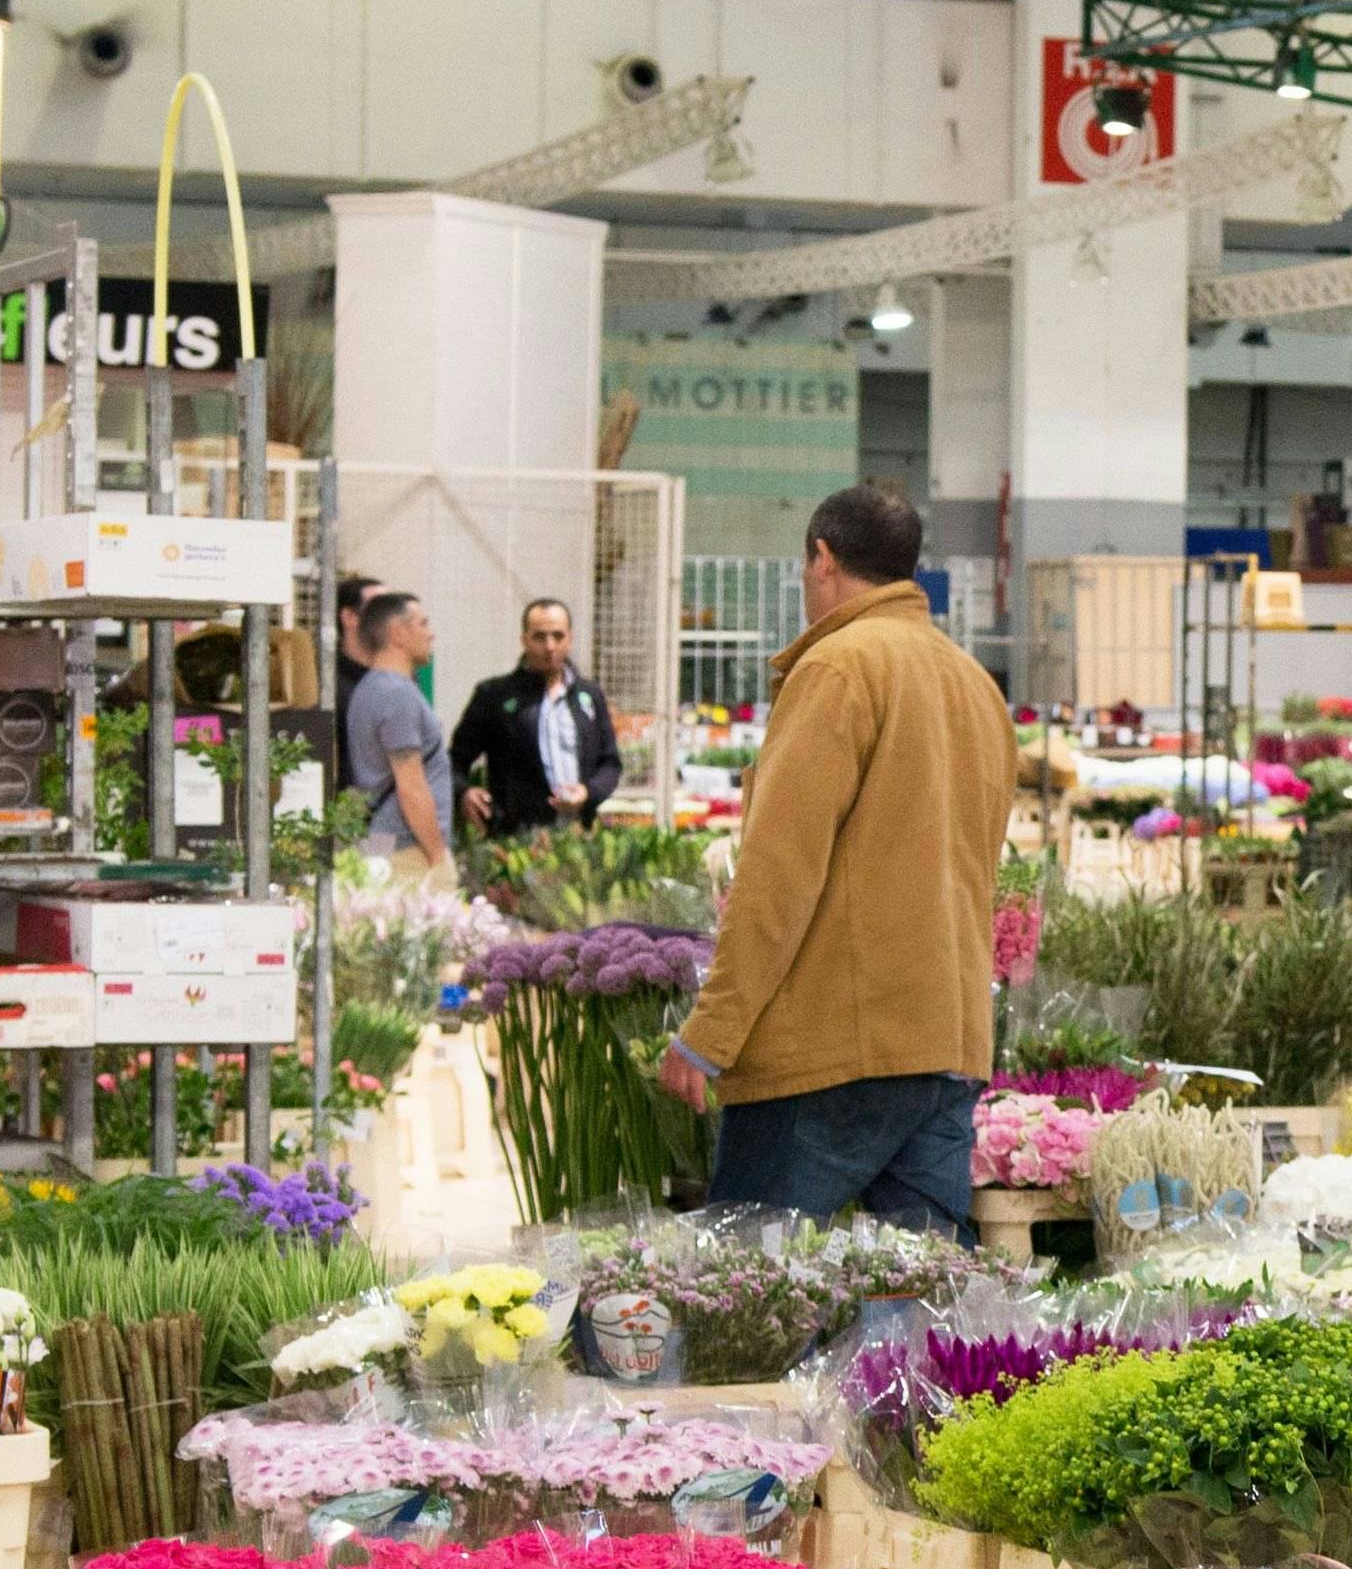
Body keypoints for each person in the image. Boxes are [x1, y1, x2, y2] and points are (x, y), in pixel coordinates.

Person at [653, 483, 1008, 1239]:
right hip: (946, 1042)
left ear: (822, 557)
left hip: (832, 1050)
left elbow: (778, 876)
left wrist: (709, 1034)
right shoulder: (975, 684)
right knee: (919, 1307)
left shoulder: (839, 668)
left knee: (748, 1297)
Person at [454, 596, 620, 838]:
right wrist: (464, 793)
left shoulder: (589, 696)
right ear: (524, 640)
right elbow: (455, 760)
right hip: (516, 842)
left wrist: (587, 793)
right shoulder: (494, 696)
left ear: (570, 639)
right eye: (540, 637)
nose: (550, 646)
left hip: (580, 839)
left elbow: (610, 763)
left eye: (558, 636)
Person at [342, 588, 451, 870]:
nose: (431, 634)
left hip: (381, 841)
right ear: (398, 634)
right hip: (409, 850)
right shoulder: (397, 694)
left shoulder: (368, 688)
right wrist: (438, 856)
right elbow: (410, 785)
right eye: (423, 624)